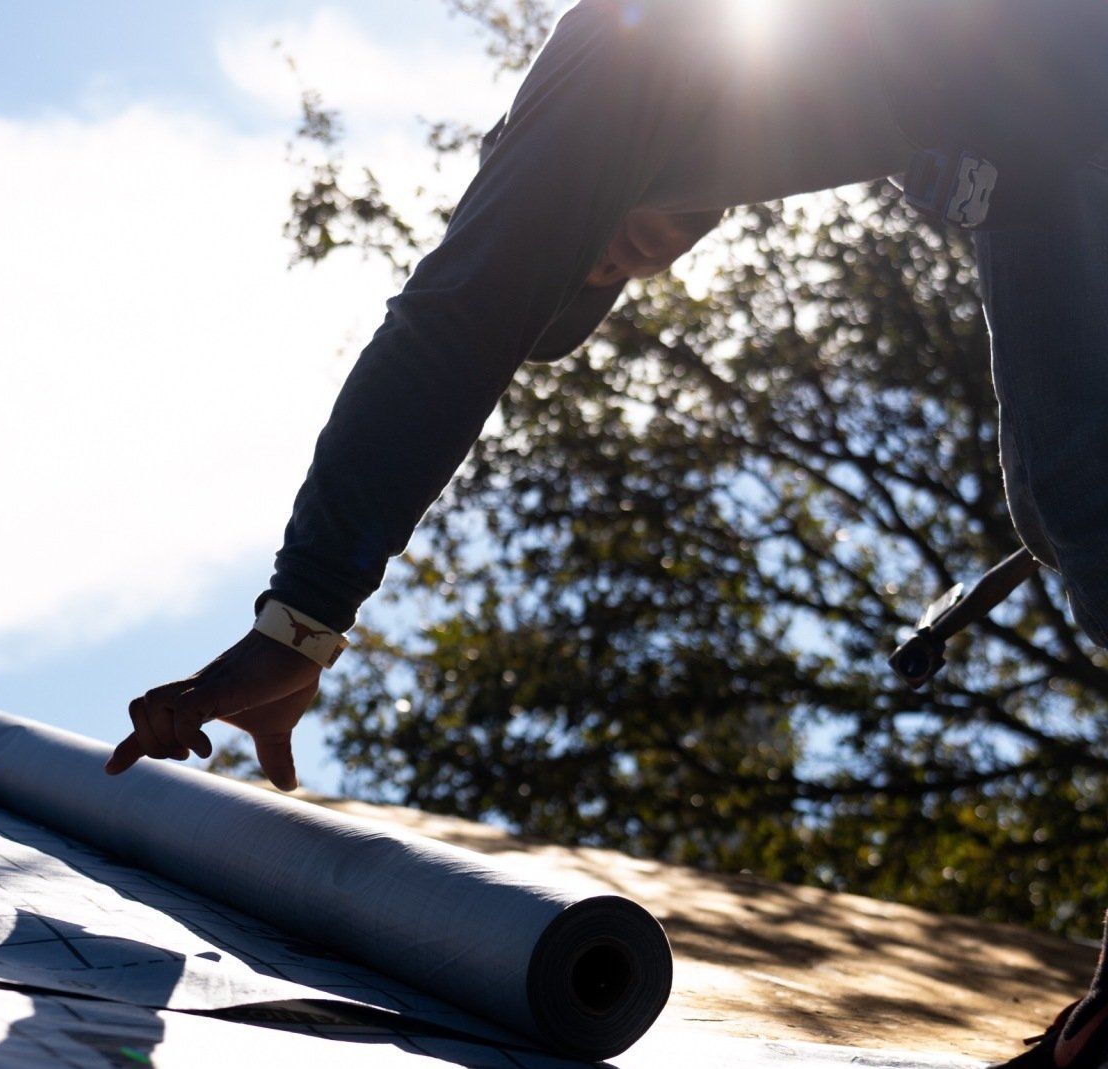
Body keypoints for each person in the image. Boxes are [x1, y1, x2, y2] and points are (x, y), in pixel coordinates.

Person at [103, 2, 1108, 1065]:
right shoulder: (839, 104)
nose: (627, 254)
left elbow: (458, 318)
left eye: (585, 256)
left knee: (1080, 491)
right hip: (1058, 132)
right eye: (616, 271)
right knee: (1068, 491)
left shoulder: (614, 61)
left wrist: (297, 624)